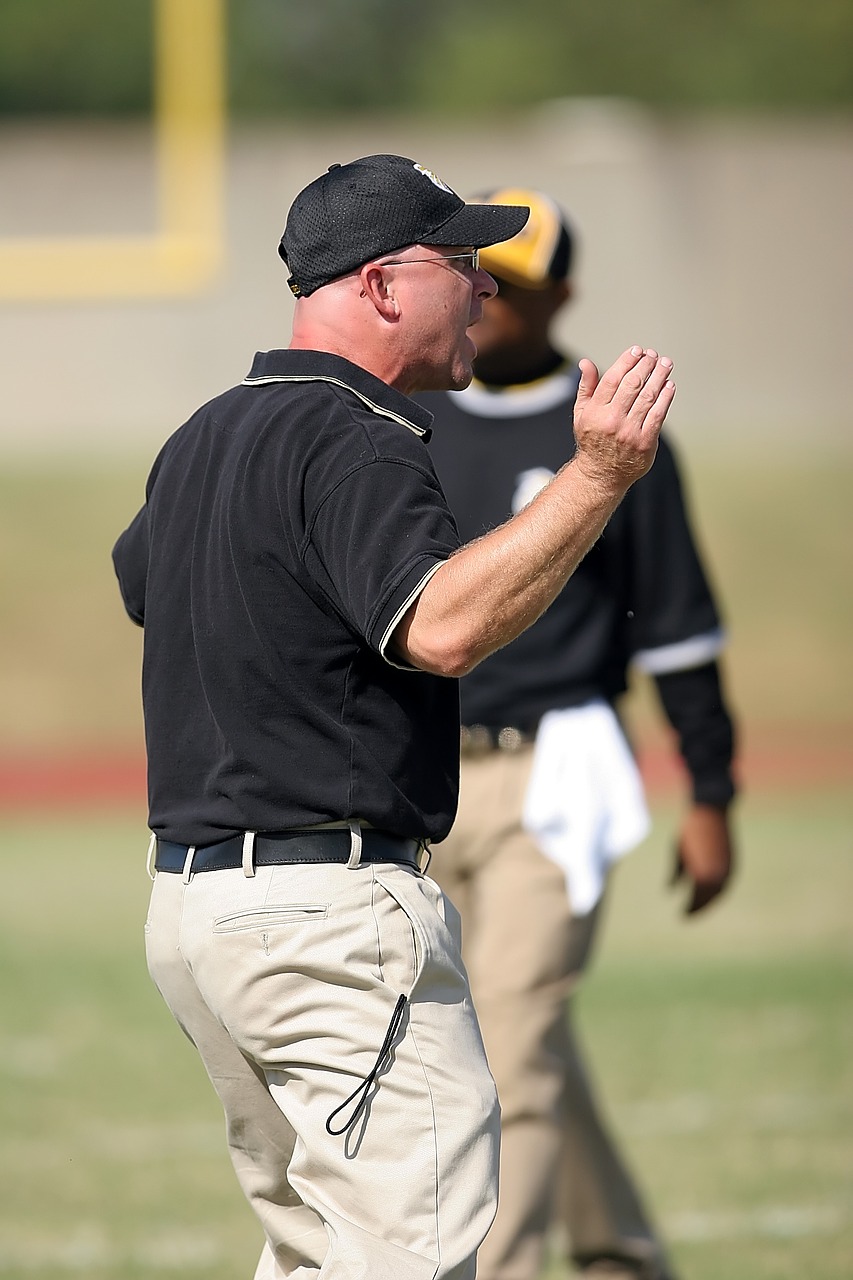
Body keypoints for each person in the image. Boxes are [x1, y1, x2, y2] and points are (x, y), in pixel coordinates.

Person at [111, 153, 677, 1280]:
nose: (483, 288)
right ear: (379, 284)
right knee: (404, 1257)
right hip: (326, 918)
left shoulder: (204, 435)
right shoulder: (356, 437)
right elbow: (444, 627)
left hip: (197, 912)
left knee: (319, 1256)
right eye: (461, 262)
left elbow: (144, 586)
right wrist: (599, 474)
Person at [417, 188, 737, 1280]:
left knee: (507, 1045)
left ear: (562, 296)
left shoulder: (612, 433)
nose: (487, 293)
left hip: (555, 776)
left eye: (510, 277)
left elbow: (680, 631)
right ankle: (621, 1251)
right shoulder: (407, 414)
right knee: (499, 1040)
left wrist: (711, 794)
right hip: (420, 777)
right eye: (474, 271)